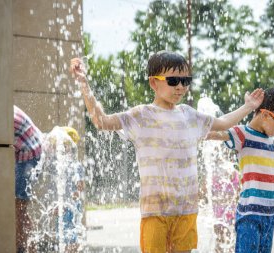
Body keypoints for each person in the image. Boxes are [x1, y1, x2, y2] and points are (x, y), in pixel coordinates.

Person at [70, 50, 264, 253]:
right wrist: (84, 85)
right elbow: (102, 121)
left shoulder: (189, 116)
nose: (180, 86)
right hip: (155, 210)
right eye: (173, 80)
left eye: (185, 80)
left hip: (186, 209)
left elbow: (223, 123)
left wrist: (248, 106)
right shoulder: (141, 116)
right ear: (154, 83)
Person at [207, 87, 274, 253]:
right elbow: (212, 133)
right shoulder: (243, 134)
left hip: (269, 215)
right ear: (265, 115)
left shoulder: (269, 142)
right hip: (249, 214)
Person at [32, 126, 85, 252]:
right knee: (63, 235)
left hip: (70, 207)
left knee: (71, 236)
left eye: (62, 145)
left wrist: (68, 204)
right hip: (62, 206)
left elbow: (79, 187)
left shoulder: (75, 165)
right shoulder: (58, 164)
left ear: (68, 146)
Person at [13, 105, 42, 253]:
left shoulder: (4, 114)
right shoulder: (6, 108)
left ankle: (26, 248)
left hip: (28, 157)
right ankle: (24, 247)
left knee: (20, 208)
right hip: (29, 155)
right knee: (19, 208)